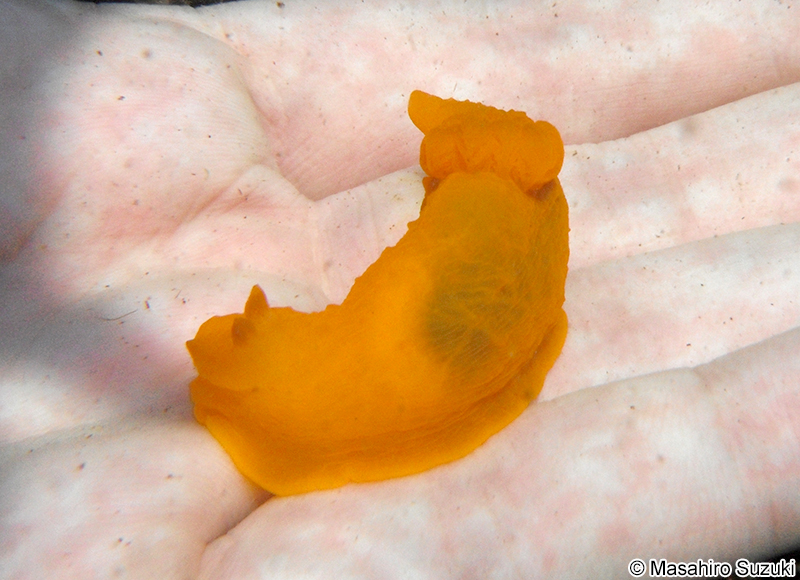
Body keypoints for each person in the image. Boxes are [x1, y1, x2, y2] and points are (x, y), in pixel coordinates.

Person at [1, 1, 798, 578]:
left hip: (460, 274)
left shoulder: (504, 192)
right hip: (437, 300)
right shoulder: (496, 192)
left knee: (417, 319)